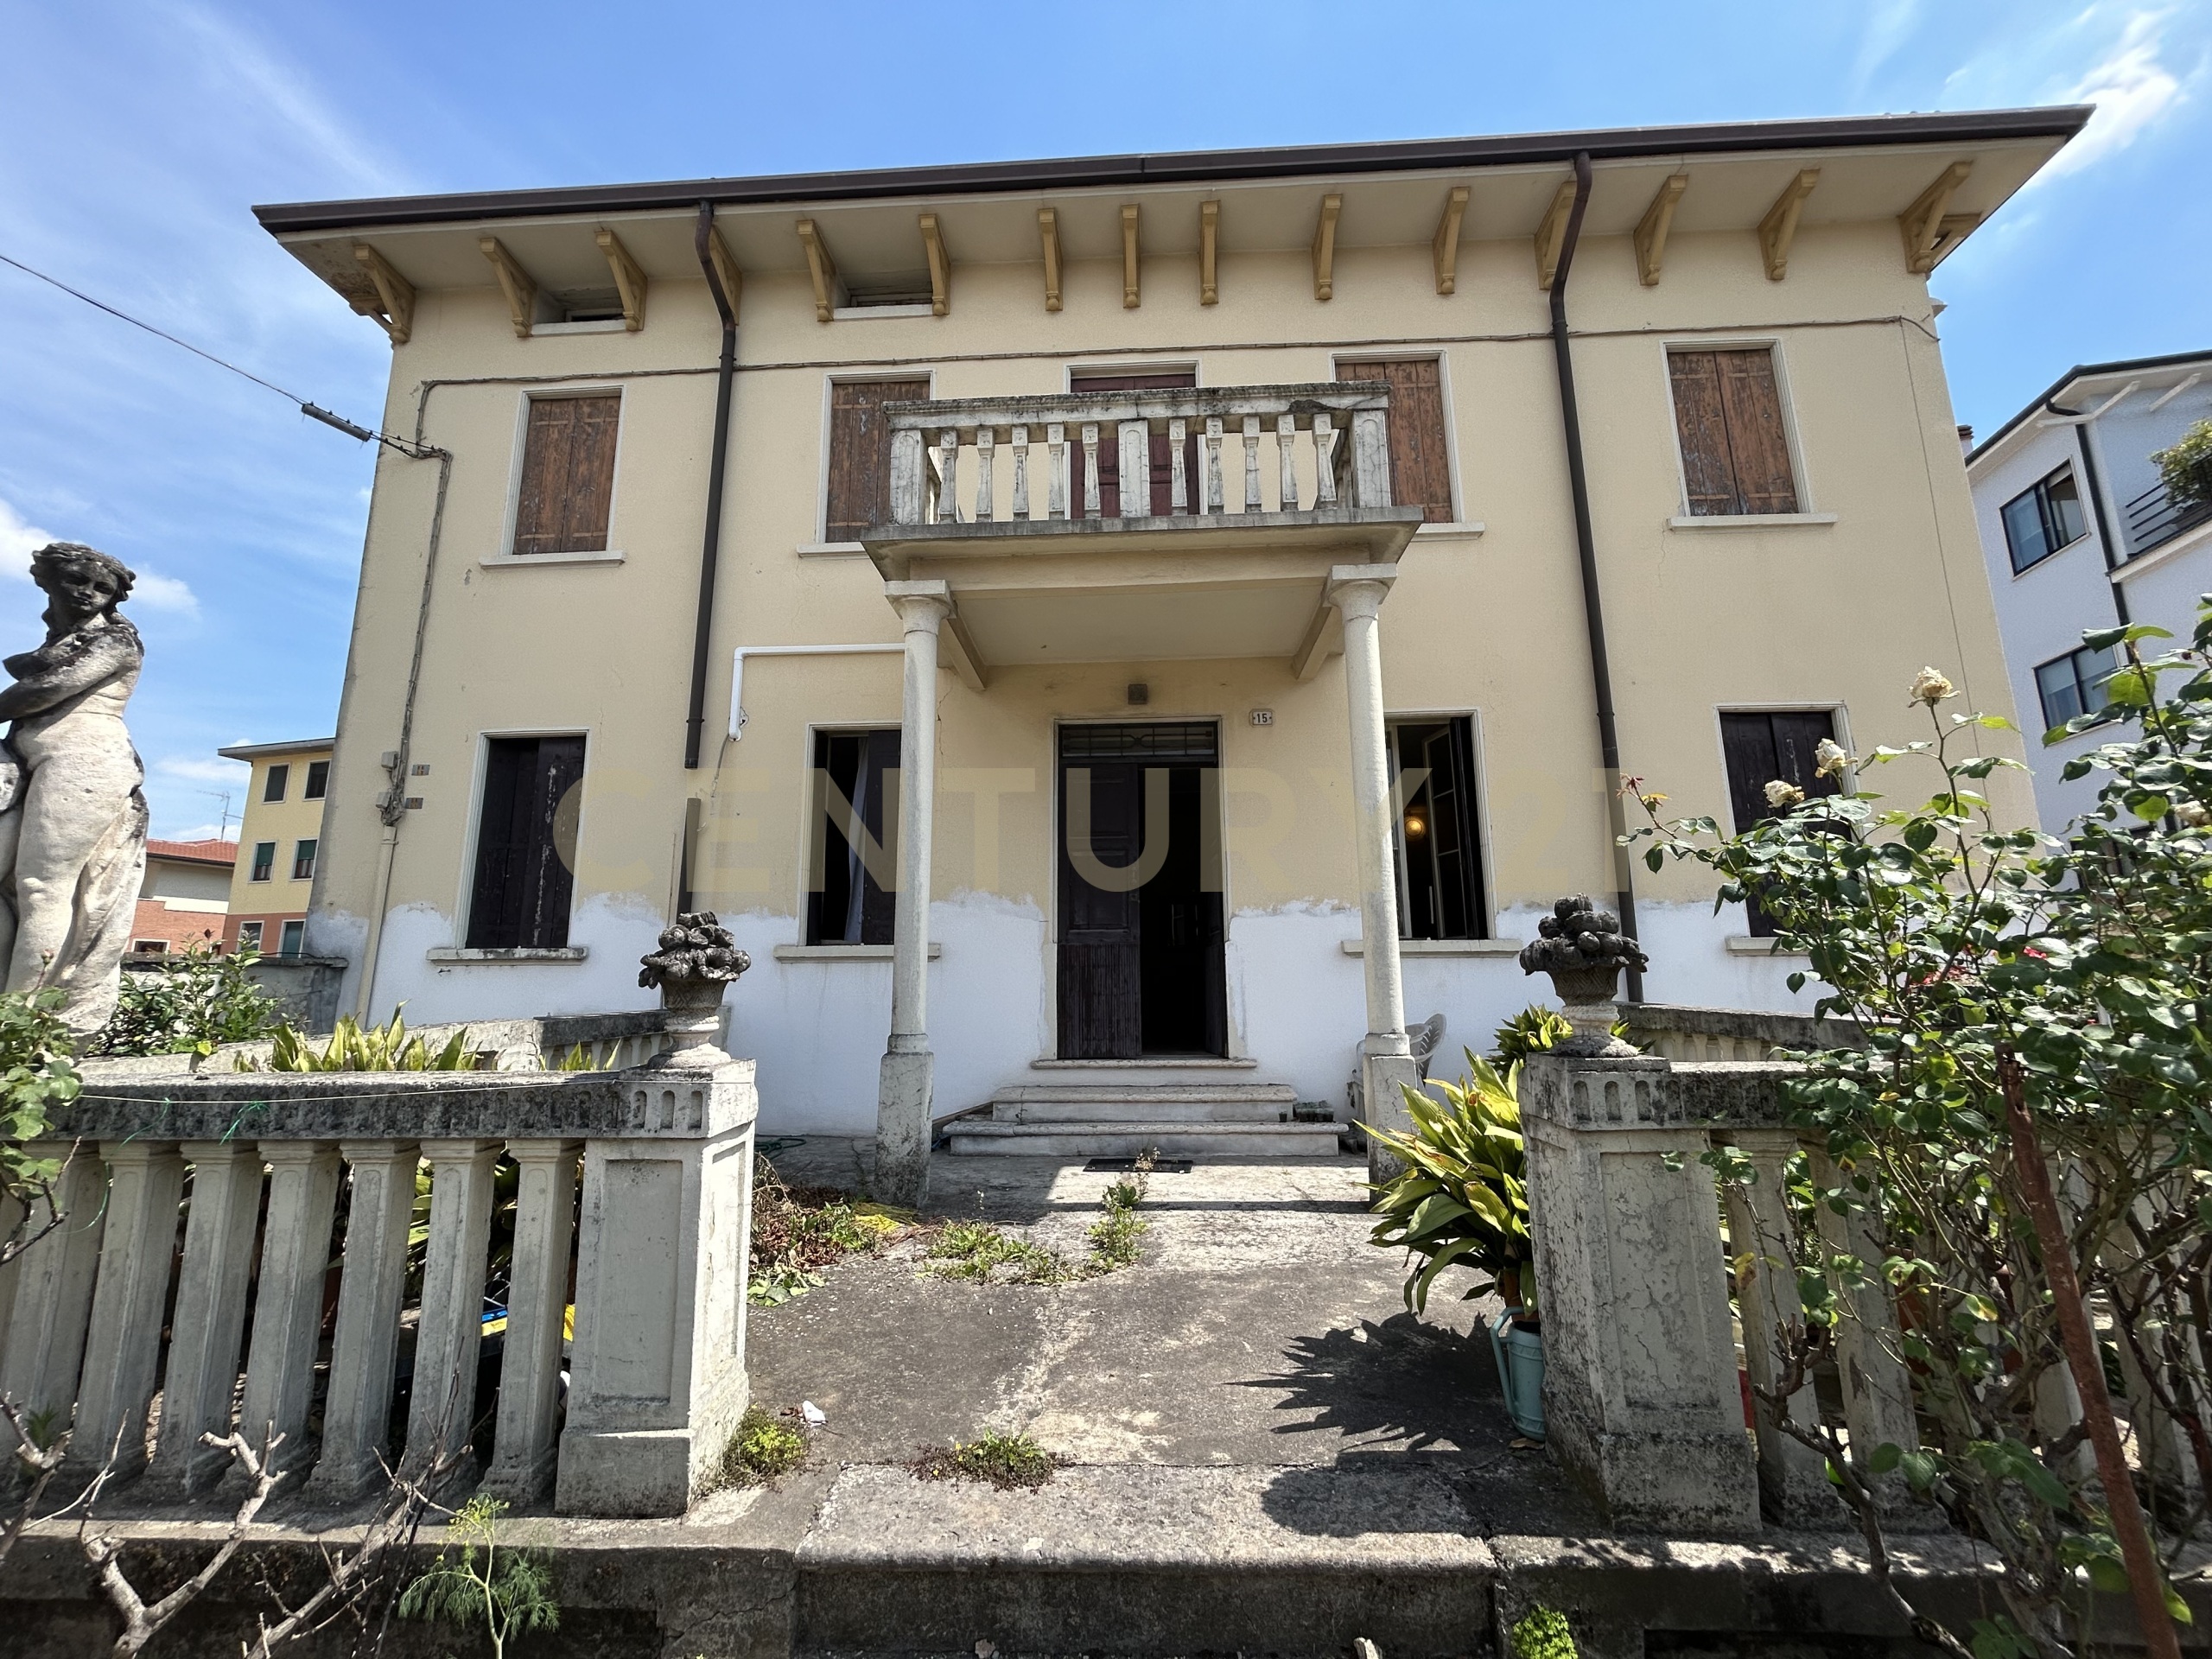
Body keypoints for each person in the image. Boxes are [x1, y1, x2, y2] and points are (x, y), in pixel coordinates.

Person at [0, 542, 150, 1033]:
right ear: (48, 581)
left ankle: (20, 1024)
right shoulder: (58, 642)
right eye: (77, 581)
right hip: (27, 757)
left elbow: (43, 690)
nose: (88, 593)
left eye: (101, 588)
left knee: (41, 888)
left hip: (83, 761)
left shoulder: (116, 641)